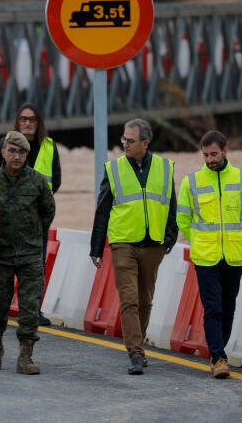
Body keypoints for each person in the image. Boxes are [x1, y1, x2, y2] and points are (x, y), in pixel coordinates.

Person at [89, 118, 177, 375]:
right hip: (123, 243)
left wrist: (169, 238)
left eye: (130, 140)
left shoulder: (164, 167)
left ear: (145, 143)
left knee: (144, 300)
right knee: (129, 298)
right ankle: (135, 353)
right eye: (123, 139)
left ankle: (138, 345)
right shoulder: (114, 169)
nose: (124, 144)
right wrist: (96, 246)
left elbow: (172, 206)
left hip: (154, 245)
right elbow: (102, 210)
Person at [177, 130, 242, 379]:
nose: (210, 159)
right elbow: (183, 218)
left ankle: (218, 350)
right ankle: (218, 358)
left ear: (225, 150)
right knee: (213, 307)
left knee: (228, 307)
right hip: (205, 256)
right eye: (205, 155)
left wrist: (238, 237)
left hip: (234, 254)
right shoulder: (191, 182)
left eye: (214, 154)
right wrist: (200, 241)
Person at [0, 131, 56, 375]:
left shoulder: (37, 181)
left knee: (30, 306)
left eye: (21, 152)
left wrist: (33, 235)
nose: (16, 156)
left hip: (30, 254)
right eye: (12, 150)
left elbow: (48, 211)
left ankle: (26, 356)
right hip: (0, 254)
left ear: (27, 155)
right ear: (2, 152)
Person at [0, 103, 61, 326]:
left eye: (32, 119)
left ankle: (32, 310)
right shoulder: (3, 145)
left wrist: (36, 210)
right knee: (2, 270)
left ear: (39, 123)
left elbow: (55, 181)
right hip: (4, 222)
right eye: (24, 119)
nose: (28, 123)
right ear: (17, 122)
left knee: (35, 268)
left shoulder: (49, 146)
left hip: (34, 220)